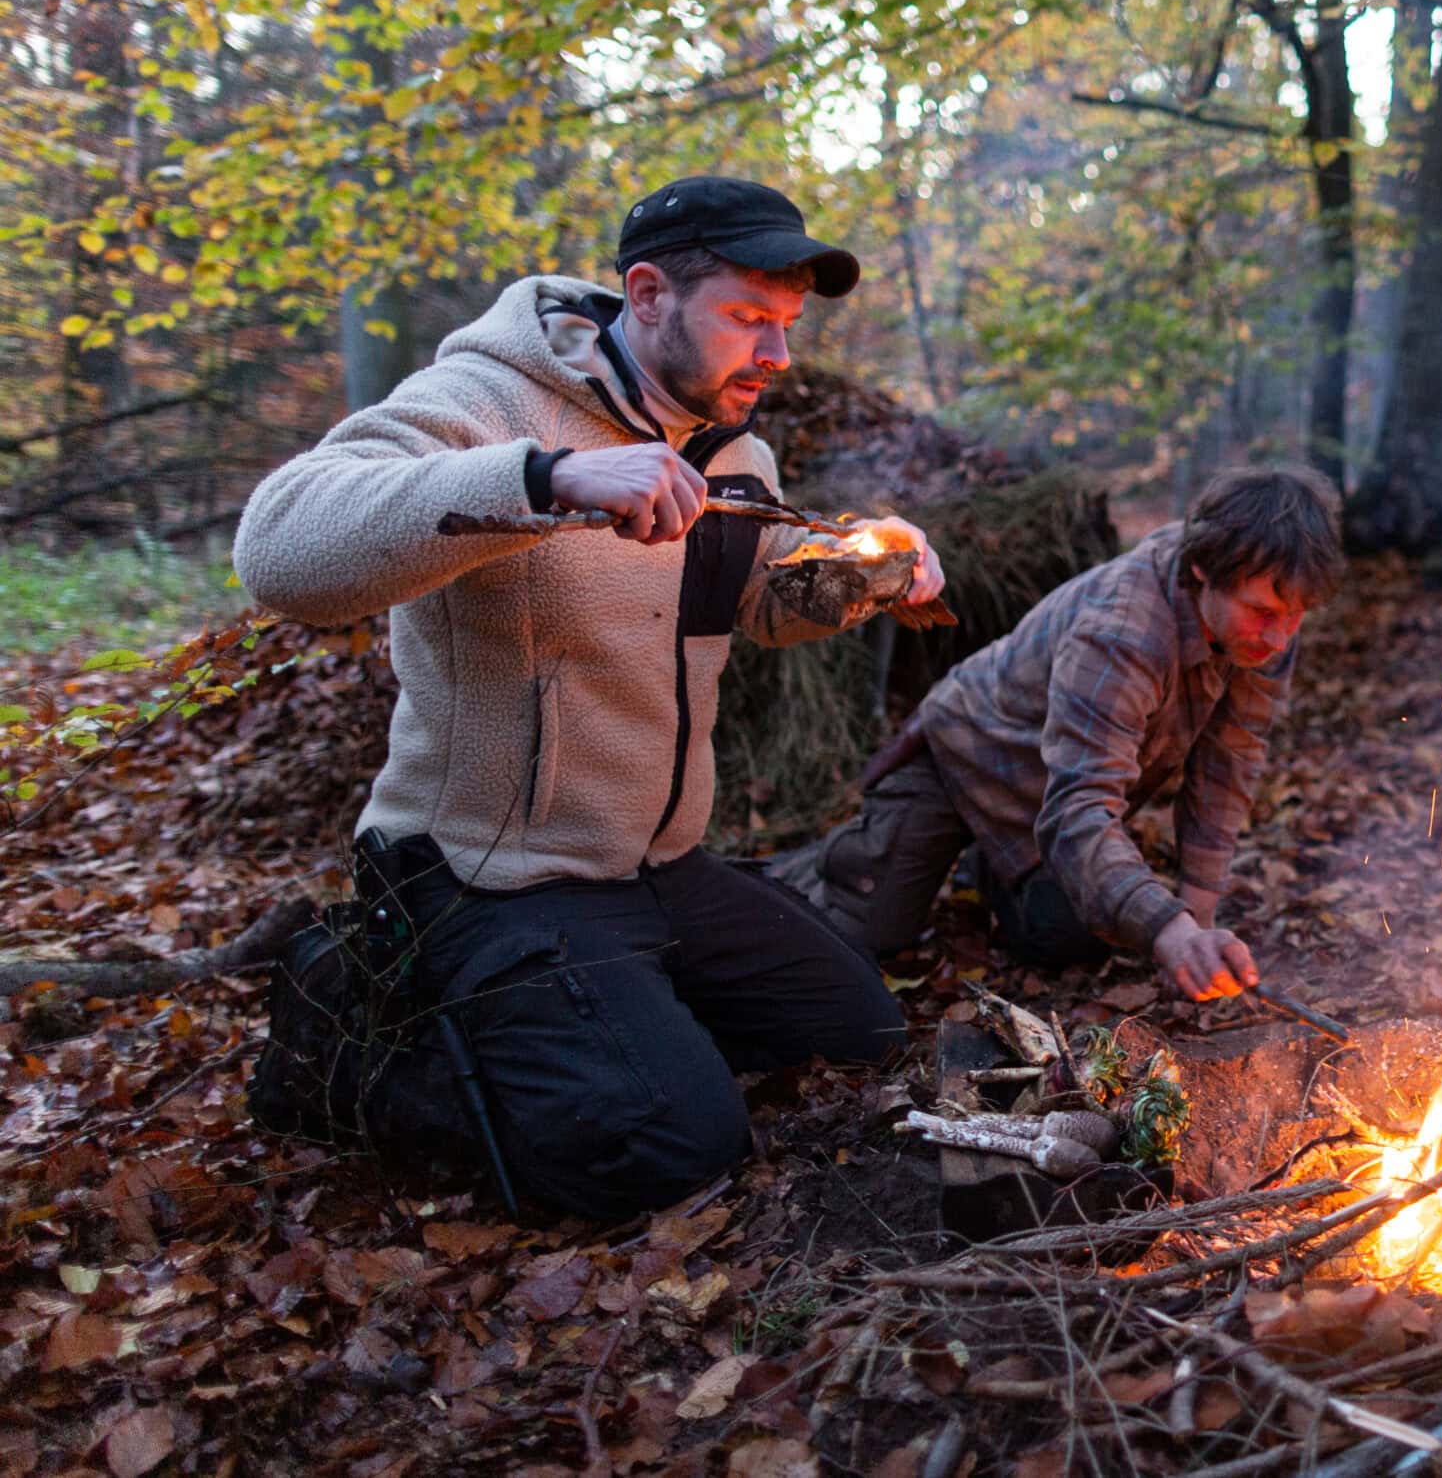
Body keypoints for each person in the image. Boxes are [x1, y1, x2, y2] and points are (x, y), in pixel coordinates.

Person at [235, 174, 948, 1220]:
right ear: (649, 294)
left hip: (654, 861)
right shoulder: (488, 400)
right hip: (489, 872)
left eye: (786, 326)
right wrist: (545, 480)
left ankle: (606, 1023)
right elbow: (279, 550)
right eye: (750, 319)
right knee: (672, 1150)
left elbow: (755, 602)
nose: (777, 356)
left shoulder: (734, 445)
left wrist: (868, 569)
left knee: (857, 1030)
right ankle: (367, 1055)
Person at [768, 466, 1343, 1002]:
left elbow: (1229, 763)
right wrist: (1169, 930)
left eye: (1298, 616)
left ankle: (993, 869)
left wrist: (1196, 918)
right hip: (969, 755)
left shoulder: (1260, 615)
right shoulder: (1123, 633)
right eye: (1264, 612)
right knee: (867, 928)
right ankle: (786, 876)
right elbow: (1081, 809)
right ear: (1203, 571)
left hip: (1051, 787)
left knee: (1074, 935)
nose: (1280, 638)